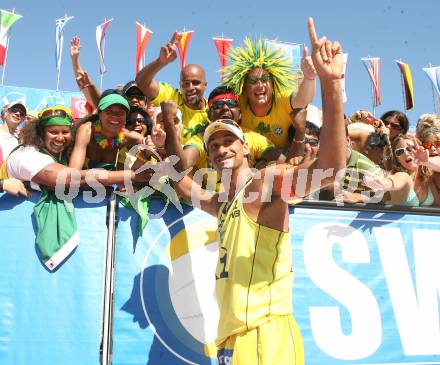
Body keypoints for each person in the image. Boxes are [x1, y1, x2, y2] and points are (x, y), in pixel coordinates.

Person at [161, 18, 346, 364]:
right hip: (232, 338)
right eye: (213, 144)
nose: (220, 149)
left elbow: (332, 167)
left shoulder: (264, 183)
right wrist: (169, 130)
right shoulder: (225, 202)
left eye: (229, 140)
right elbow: (181, 183)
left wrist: (331, 83)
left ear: (247, 148)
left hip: (265, 333)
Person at [221, 36, 316, 148]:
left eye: (265, 80)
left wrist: (309, 78)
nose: (260, 86)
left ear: (273, 84)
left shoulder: (282, 98)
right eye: (253, 81)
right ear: (245, 86)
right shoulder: (237, 105)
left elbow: (303, 100)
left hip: (286, 161)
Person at [135, 32, 208, 133]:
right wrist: (160, 62)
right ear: (180, 85)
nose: (190, 87)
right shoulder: (173, 99)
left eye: (196, 82)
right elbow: (142, 82)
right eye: (185, 83)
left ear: (205, 85)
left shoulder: (214, 110)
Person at [364, 135, 440, 207]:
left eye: (411, 148)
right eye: (400, 152)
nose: (406, 153)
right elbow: (395, 181)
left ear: (420, 149)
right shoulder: (402, 176)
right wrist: (383, 184)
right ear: (398, 160)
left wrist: (427, 161)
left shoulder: (430, 177)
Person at [69, 92, 131, 169]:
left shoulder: (128, 137)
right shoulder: (87, 130)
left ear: (126, 117)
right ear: (100, 115)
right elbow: (73, 173)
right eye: (109, 111)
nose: (115, 116)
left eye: (120, 113)